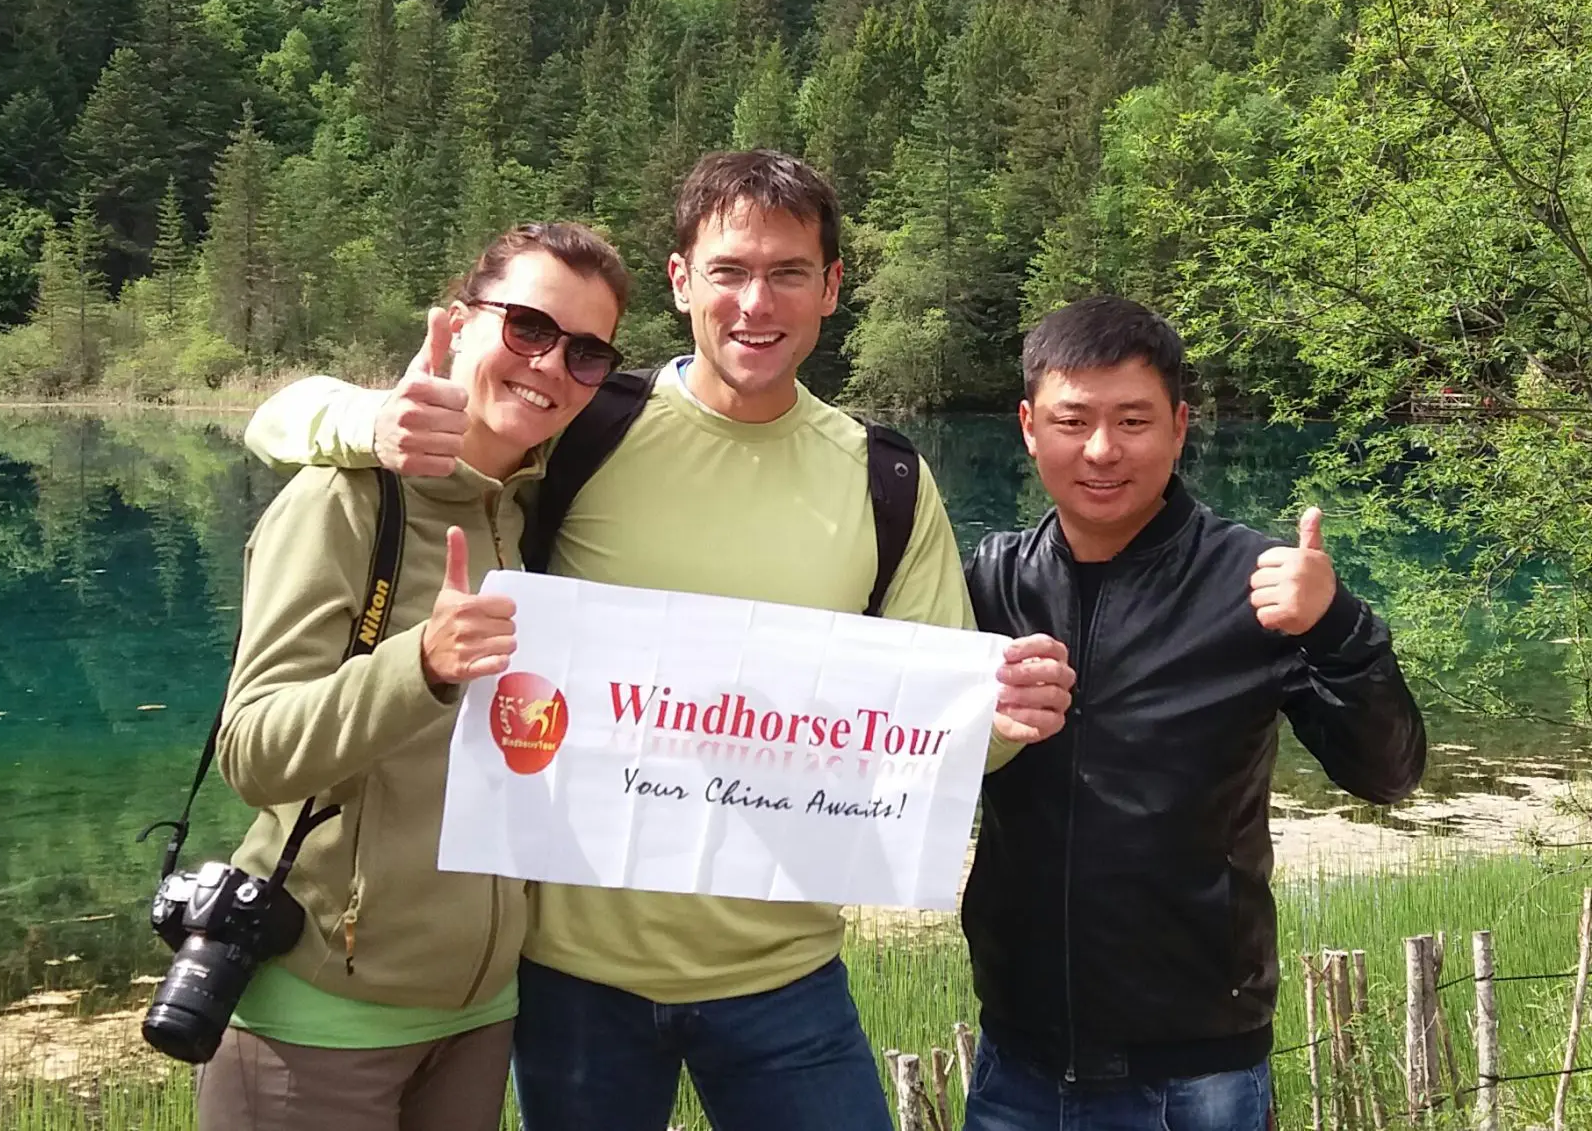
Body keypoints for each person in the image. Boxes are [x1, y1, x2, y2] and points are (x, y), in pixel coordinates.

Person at [244, 150, 1077, 1131]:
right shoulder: (586, 426)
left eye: (788, 272)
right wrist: (365, 415)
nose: (754, 302)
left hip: (784, 975)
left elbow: (940, 729)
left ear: (831, 288)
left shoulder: (886, 482)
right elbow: (298, 420)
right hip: (570, 977)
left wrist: (1011, 719)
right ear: (683, 282)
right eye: (727, 271)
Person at [199, 222, 633, 1131]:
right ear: (460, 324)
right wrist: (421, 665)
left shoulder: (547, 505)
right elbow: (253, 750)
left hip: (480, 1018)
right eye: (527, 327)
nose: (553, 365)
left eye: (588, 352)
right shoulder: (345, 499)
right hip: (321, 1015)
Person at [958, 296, 1426, 1131]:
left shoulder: (1255, 584)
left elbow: (1387, 772)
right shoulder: (992, 582)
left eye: (1132, 419)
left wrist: (1340, 624)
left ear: (1179, 425)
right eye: (1074, 419)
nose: (1102, 449)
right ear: (1029, 426)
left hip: (1194, 1074)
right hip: (1017, 1060)